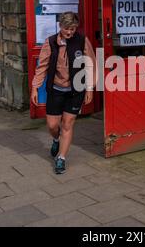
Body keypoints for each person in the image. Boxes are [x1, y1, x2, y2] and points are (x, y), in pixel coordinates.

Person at [30, 12, 96, 174]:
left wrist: (89, 88)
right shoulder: (50, 42)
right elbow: (42, 67)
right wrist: (35, 87)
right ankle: (55, 139)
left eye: (73, 29)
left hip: (75, 90)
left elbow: (90, 65)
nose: (70, 32)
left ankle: (61, 158)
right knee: (53, 125)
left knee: (67, 124)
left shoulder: (82, 41)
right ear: (60, 26)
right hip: (56, 90)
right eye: (67, 28)